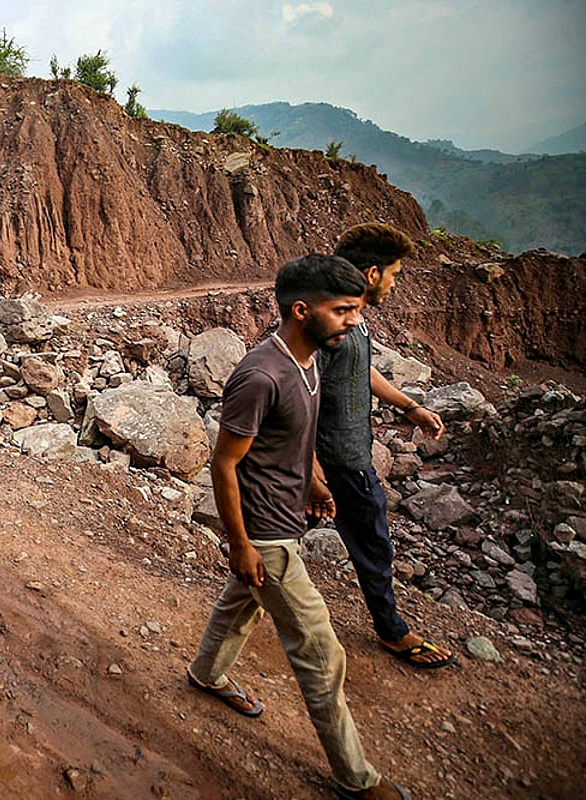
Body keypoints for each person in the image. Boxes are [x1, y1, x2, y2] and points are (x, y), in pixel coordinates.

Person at [188, 255, 411, 800]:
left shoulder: (308, 359)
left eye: (355, 310)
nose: (354, 322)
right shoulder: (262, 375)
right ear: (302, 310)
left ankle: (206, 675)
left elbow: (288, 436)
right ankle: (356, 780)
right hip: (265, 531)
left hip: (284, 515)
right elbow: (224, 464)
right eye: (344, 312)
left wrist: (311, 481)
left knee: (240, 605)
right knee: (320, 649)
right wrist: (240, 543)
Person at [313, 223, 451, 669]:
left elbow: (361, 370)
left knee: (280, 542)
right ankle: (392, 632)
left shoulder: (352, 315)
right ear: (372, 273)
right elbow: (301, 389)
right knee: (373, 544)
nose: (396, 282)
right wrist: (310, 466)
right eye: (394, 273)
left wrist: (410, 407)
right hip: (336, 458)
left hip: (345, 454)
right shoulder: (328, 320)